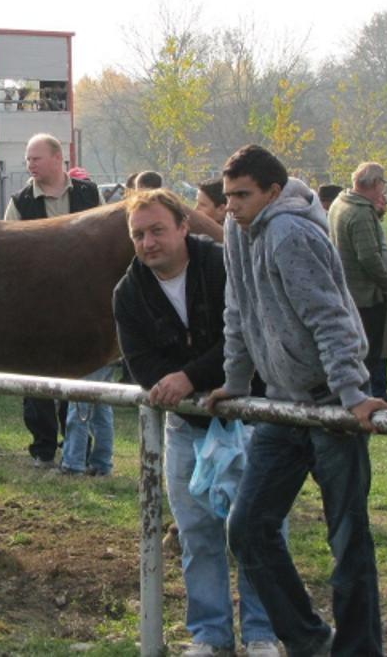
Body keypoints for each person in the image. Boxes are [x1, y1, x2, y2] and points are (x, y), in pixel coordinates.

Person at [207, 145, 387, 656]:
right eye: (227, 196)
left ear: (272, 192)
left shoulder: (291, 234)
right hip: (282, 406)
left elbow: (330, 317)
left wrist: (352, 395)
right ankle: (310, 642)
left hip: (330, 405)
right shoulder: (236, 231)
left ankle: (357, 652)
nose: (231, 206)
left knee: (348, 541)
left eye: (242, 195)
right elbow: (237, 308)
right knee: (247, 528)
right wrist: (236, 380)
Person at [113, 187, 279, 657]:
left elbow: (245, 336)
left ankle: (263, 633)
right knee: (196, 534)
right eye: (138, 235)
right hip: (186, 427)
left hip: (252, 416)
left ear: (184, 227)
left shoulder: (224, 266)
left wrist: (188, 377)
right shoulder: (128, 292)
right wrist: (182, 384)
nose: (148, 243)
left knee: (260, 530)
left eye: (157, 230)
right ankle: (210, 635)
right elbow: (142, 365)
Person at [4, 133, 105, 469]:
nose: (29, 164)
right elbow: (9, 254)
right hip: (36, 307)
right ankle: (43, 448)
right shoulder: (20, 202)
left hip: (82, 305)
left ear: (57, 158)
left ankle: (77, 446)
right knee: (36, 381)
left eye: (36, 158)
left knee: (78, 378)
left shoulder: (90, 194)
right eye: (28, 159)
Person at [329, 162, 387, 403]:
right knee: (370, 349)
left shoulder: (340, 203)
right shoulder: (359, 212)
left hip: (348, 291)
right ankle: (369, 395)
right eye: (382, 183)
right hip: (365, 295)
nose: (383, 189)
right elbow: (368, 257)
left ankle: (369, 392)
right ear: (375, 183)